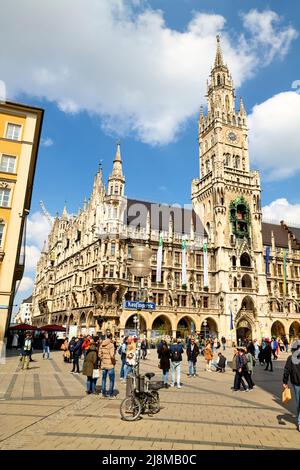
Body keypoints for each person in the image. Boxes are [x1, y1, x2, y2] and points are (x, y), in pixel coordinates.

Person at [283, 340, 300, 432]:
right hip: (296, 383)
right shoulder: (291, 358)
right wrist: (285, 381)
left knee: (299, 402)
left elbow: (286, 370)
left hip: (296, 382)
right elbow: (287, 370)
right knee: (298, 402)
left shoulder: (290, 358)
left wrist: (285, 382)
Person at [99, 333, 116, 399]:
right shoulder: (111, 345)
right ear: (111, 337)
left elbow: (99, 355)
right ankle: (111, 394)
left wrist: (103, 359)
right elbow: (112, 355)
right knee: (111, 380)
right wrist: (114, 362)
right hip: (110, 364)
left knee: (103, 379)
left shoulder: (102, 344)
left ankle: (103, 393)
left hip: (104, 364)